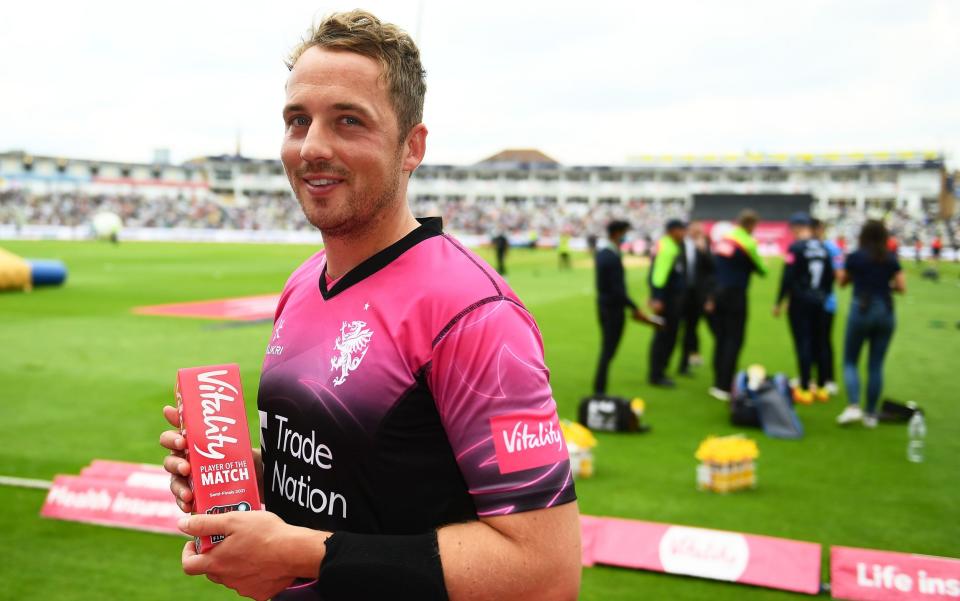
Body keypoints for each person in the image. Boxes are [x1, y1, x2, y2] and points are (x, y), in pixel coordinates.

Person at [159, 11, 580, 601]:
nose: (313, 147)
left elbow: (545, 572)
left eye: (349, 121)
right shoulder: (304, 283)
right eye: (298, 120)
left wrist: (301, 552)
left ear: (413, 146)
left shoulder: (476, 315)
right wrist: (244, 479)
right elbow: (355, 484)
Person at [836, 220, 906, 428]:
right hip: (885, 310)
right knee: (876, 365)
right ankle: (871, 414)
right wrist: (885, 286)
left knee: (850, 361)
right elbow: (901, 287)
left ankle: (854, 406)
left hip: (861, 309)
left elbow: (843, 282)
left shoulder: (856, 257)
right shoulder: (890, 257)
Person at [706, 210, 767, 401]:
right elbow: (762, 269)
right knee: (734, 339)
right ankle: (724, 385)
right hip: (735, 294)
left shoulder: (724, 240)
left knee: (722, 337)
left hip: (717, 293)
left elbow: (714, 268)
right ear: (751, 226)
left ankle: (717, 379)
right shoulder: (748, 243)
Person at [773, 213, 834, 404]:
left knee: (803, 343)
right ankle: (823, 387)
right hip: (821, 301)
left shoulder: (796, 247)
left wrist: (779, 301)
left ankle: (806, 388)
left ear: (798, 227)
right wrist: (823, 295)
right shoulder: (824, 248)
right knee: (822, 342)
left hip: (801, 302)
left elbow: (787, 277)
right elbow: (830, 277)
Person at [594, 220, 656, 394]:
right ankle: (600, 390)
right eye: (624, 233)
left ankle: (600, 388)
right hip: (612, 309)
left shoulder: (604, 253)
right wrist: (634, 307)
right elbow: (617, 290)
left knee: (608, 349)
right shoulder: (610, 256)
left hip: (606, 306)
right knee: (608, 350)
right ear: (616, 233)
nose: (625, 237)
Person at [647, 219, 688, 387]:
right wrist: (657, 298)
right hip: (667, 303)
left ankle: (659, 372)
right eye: (681, 230)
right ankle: (657, 374)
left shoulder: (669, 246)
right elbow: (658, 277)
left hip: (670, 301)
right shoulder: (668, 248)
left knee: (665, 336)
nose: (684, 233)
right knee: (664, 337)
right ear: (673, 231)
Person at [812, 218, 844, 394]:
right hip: (808, 303)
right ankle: (812, 377)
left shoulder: (831, 248)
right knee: (810, 341)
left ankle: (828, 379)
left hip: (825, 303)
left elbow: (840, 277)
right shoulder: (804, 247)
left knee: (823, 341)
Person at [677, 221, 713, 375]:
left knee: (691, 330)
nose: (695, 232)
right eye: (693, 229)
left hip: (696, 296)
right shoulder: (679, 245)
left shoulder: (703, 247)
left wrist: (704, 250)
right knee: (673, 330)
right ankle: (661, 366)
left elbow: (712, 268)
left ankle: (684, 364)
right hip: (679, 295)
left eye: (698, 230)